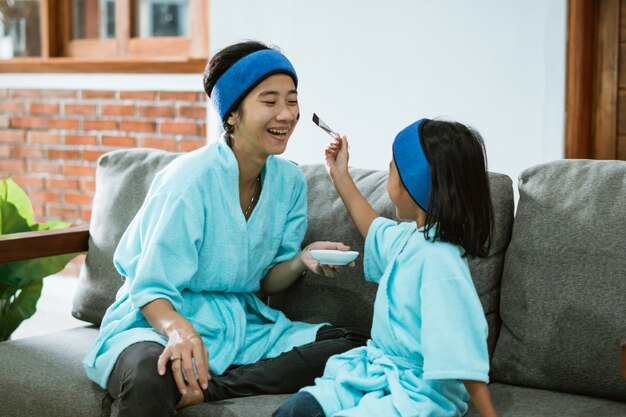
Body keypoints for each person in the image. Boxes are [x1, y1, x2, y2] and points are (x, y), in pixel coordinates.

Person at [83, 40, 369, 417]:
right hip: (157, 318)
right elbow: (149, 287)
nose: (286, 114)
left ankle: (213, 388)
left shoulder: (289, 182)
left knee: (352, 345)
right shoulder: (188, 181)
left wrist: (302, 259)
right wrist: (178, 330)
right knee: (148, 374)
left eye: (292, 100)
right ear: (232, 114)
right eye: (269, 101)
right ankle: (187, 374)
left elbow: (267, 281)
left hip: (240, 325)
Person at [274, 118, 499, 417]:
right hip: (373, 373)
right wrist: (337, 173)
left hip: (418, 394)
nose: (388, 171)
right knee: (296, 410)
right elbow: (373, 226)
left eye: (392, 166)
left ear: (414, 182)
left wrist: (488, 413)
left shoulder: (440, 261)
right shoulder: (411, 239)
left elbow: (460, 346)